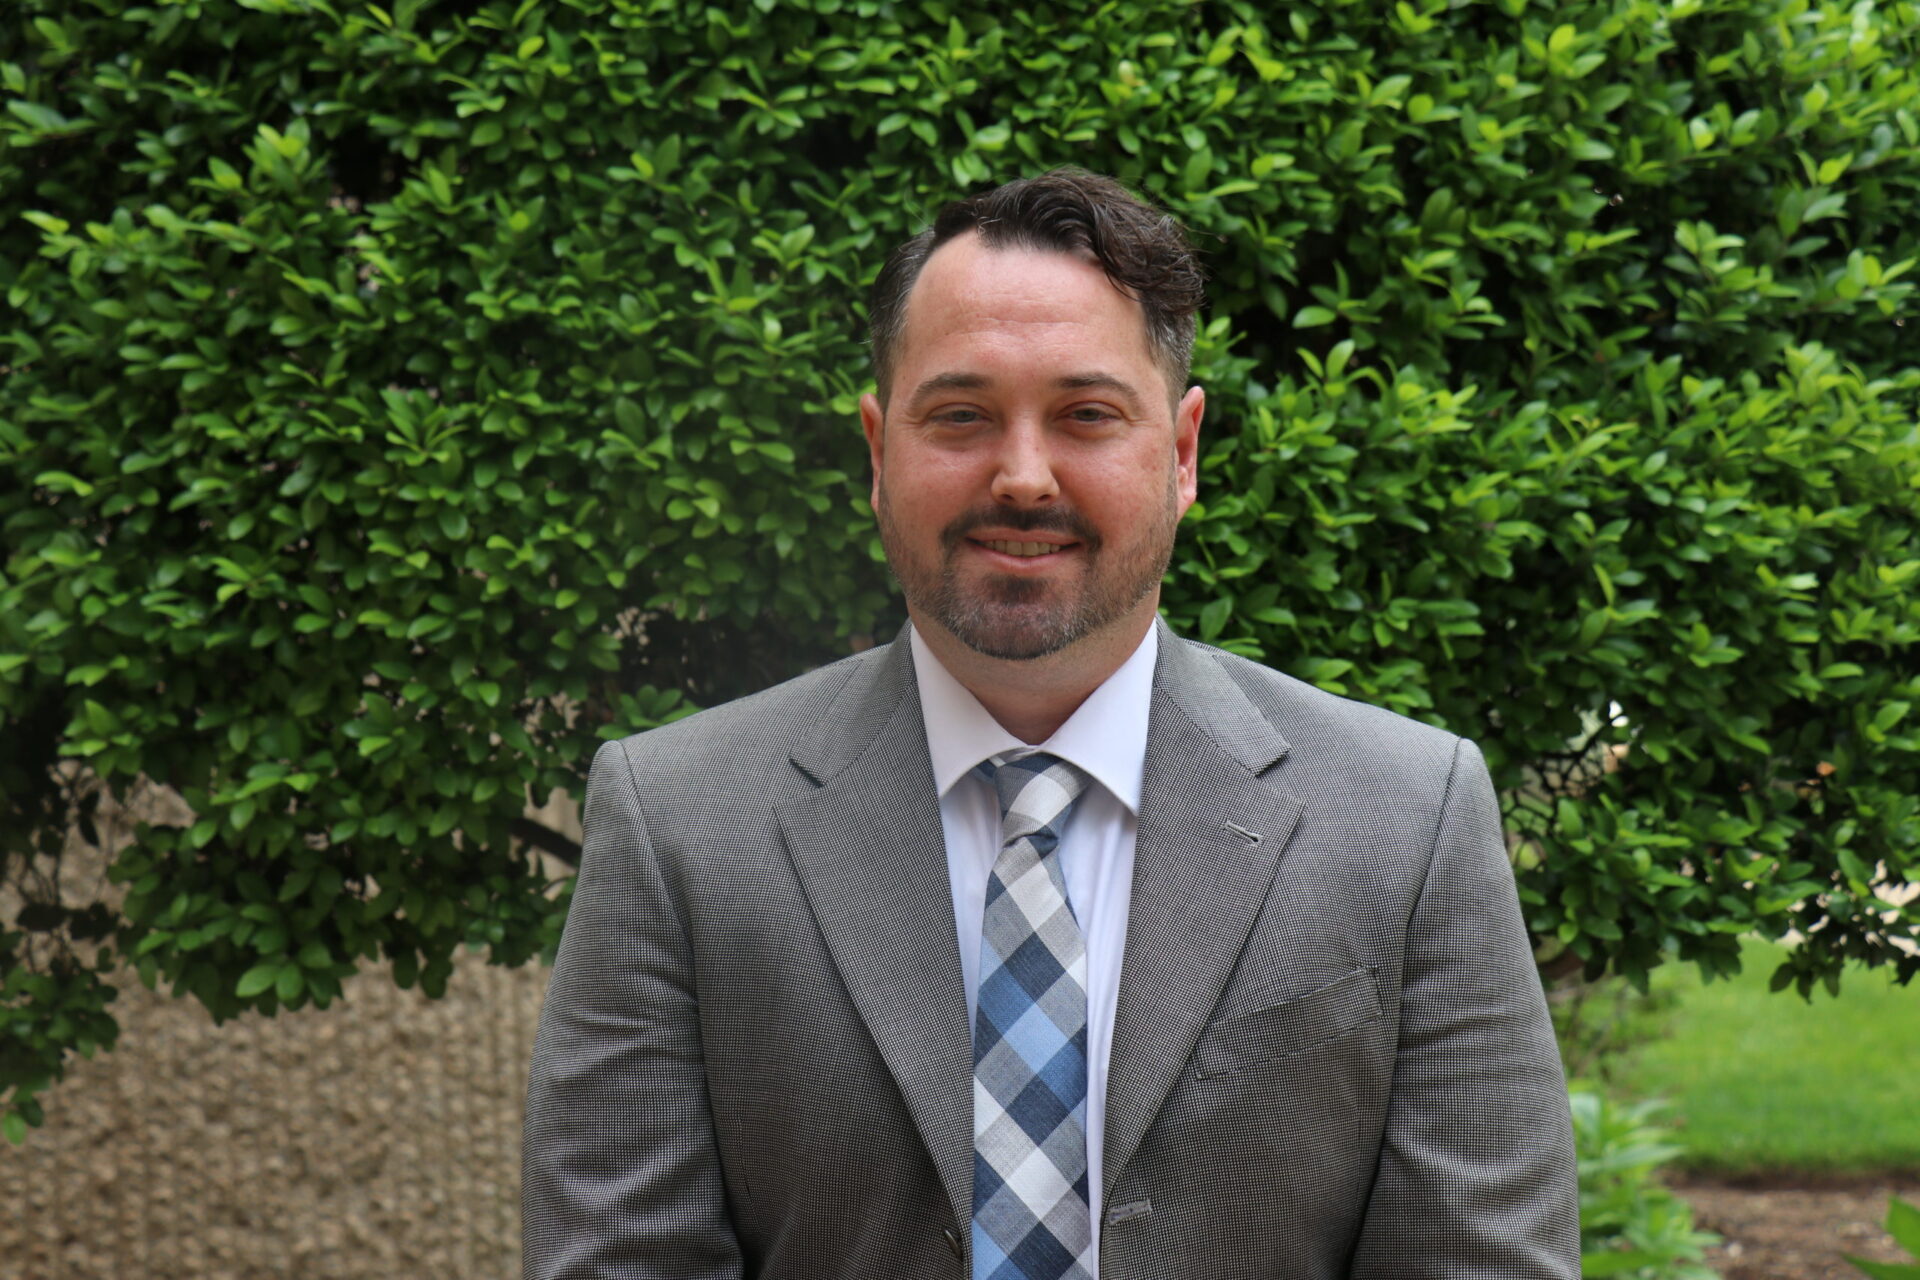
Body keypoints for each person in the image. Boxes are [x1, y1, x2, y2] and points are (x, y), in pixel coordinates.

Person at [522, 168, 1578, 1280]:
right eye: (962, 414)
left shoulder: (1410, 817)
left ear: (1180, 452)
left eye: (1086, 414)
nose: (1023, 477)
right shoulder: (676, 821)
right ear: (878, 452)